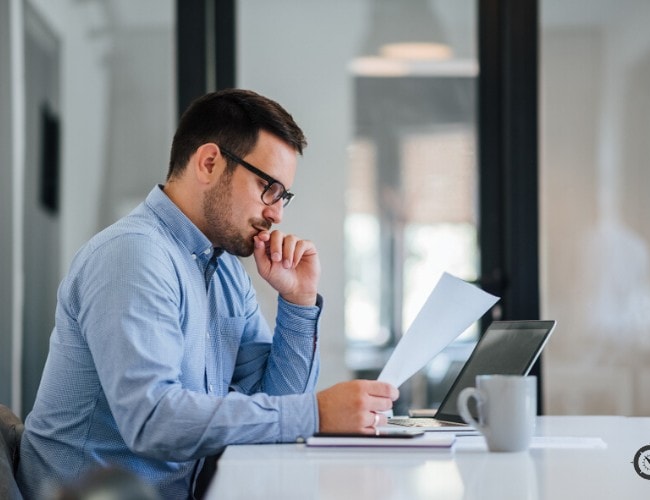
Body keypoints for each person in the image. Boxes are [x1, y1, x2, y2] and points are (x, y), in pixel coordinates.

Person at [18, 89, 399, 499]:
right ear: (209, 163)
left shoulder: (226, 273)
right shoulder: (133, 255)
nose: (277, 213)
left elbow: (276, 404)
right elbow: (151, 421)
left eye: (282, 196)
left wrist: (299, 302)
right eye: (268, 188)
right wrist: (317, 414)